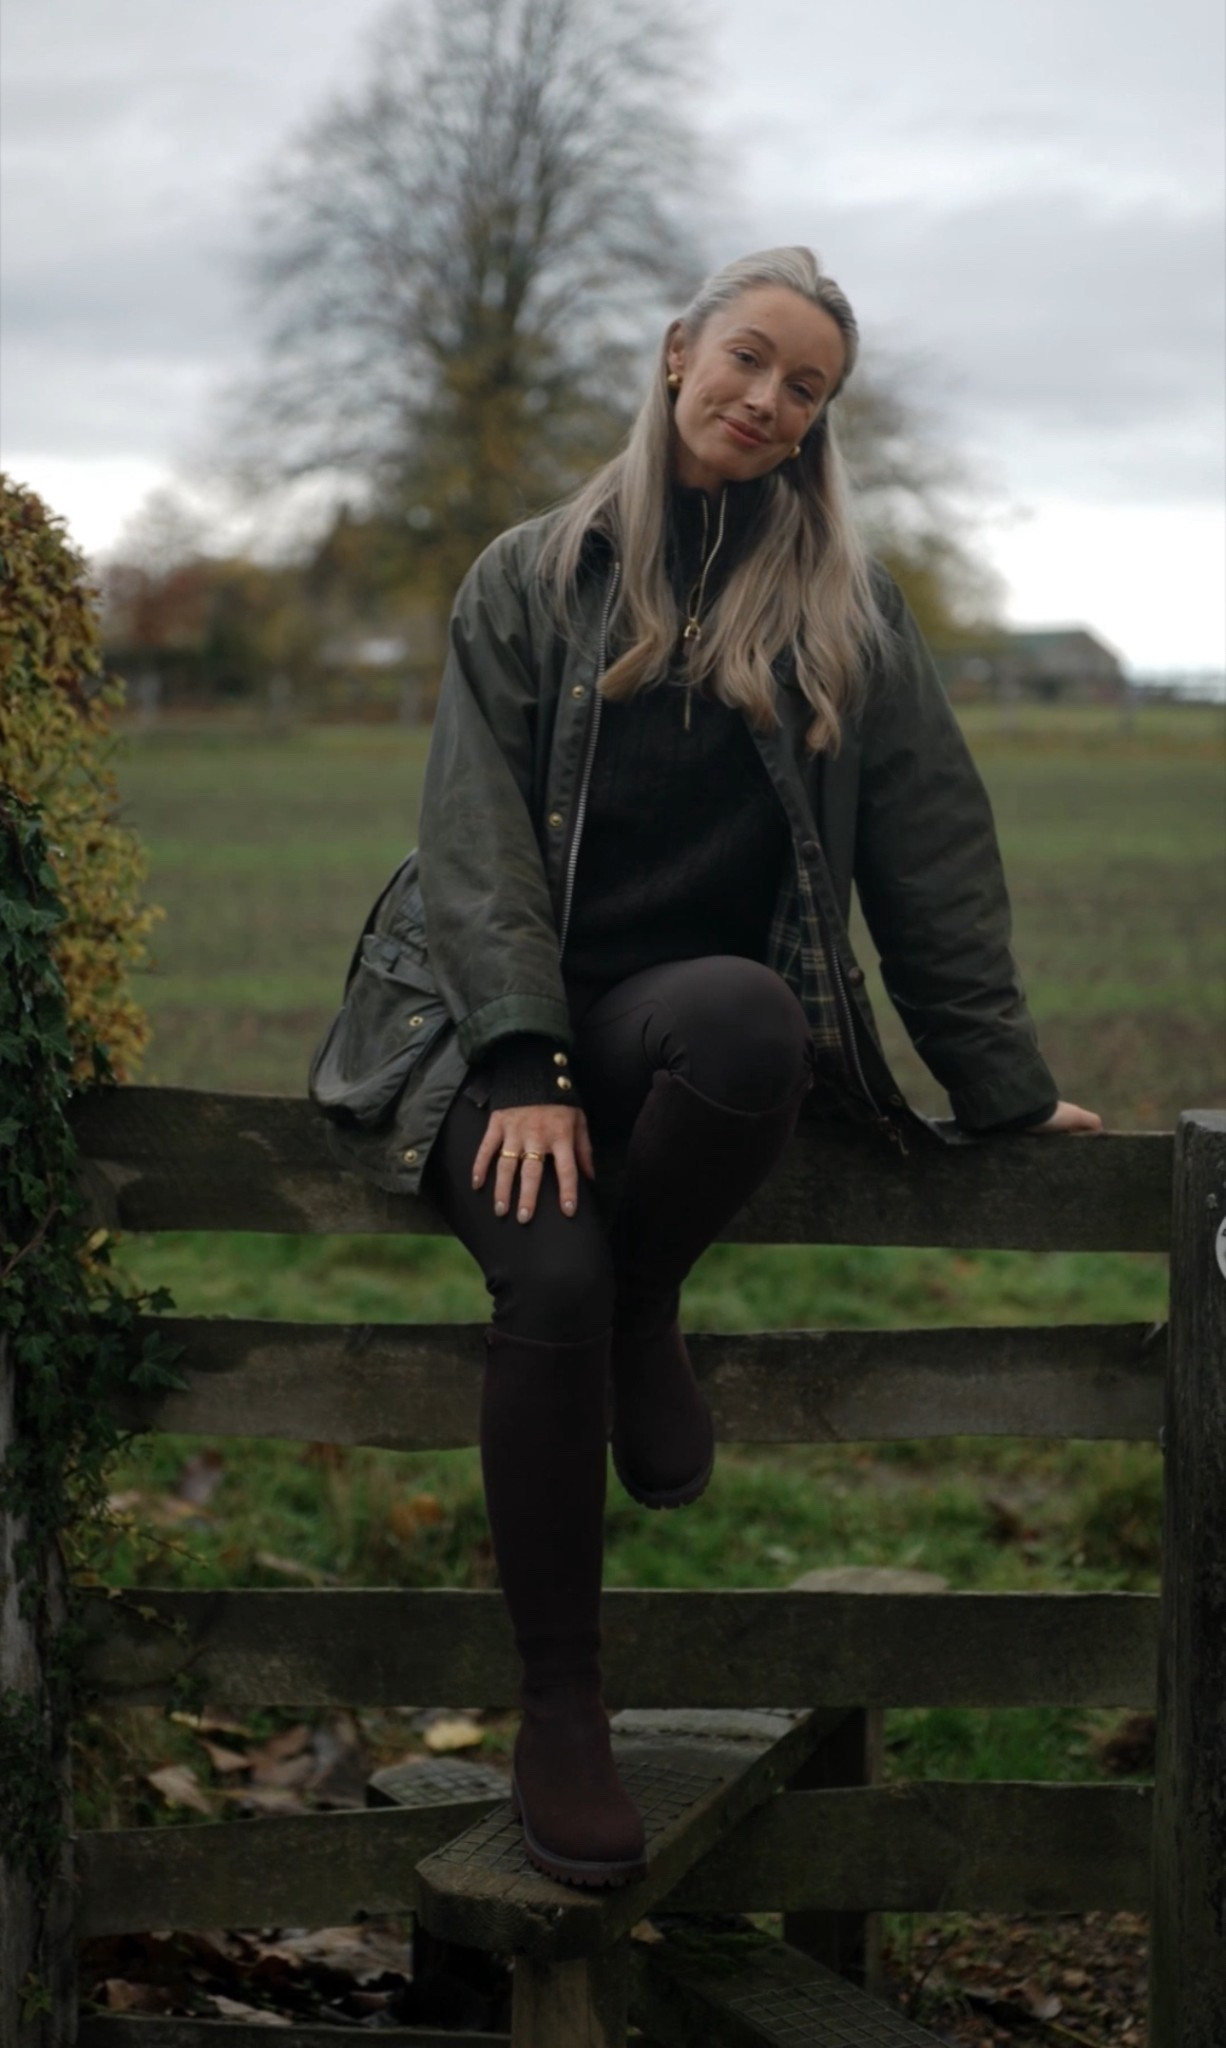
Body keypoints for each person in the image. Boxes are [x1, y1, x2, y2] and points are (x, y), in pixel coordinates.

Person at [309, 245, 1102, 1892]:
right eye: (749, 359)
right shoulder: (532, 574)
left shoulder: (839, 608)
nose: (768, 400)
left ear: (820, 423)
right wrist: (518, 1063)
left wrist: (1006, 1092)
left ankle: (645, 1296)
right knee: (546, 1279)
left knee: (749, 1017)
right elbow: (470, 849)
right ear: (678, 354)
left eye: (805, 388)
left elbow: (931, 858)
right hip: (488, 1028)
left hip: (675, 1022)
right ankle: (561, 1708)